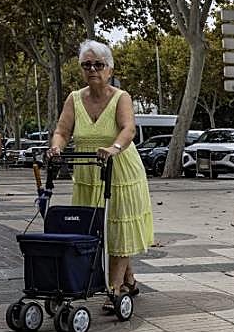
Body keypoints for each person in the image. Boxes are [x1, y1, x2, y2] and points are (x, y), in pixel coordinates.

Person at [48, 40, 154, 308]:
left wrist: (114, 147)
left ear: (109, 69)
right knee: (93, 228)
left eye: (98, 64)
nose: (92, 69)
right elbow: (62, 131)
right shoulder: (74, 99)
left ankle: (115, 288)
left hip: (120, 171)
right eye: (87, 65)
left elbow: (128, 129)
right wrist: (56, 148)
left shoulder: (122, 97)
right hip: (88, 173)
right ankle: (128, 279)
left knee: (118, 227)